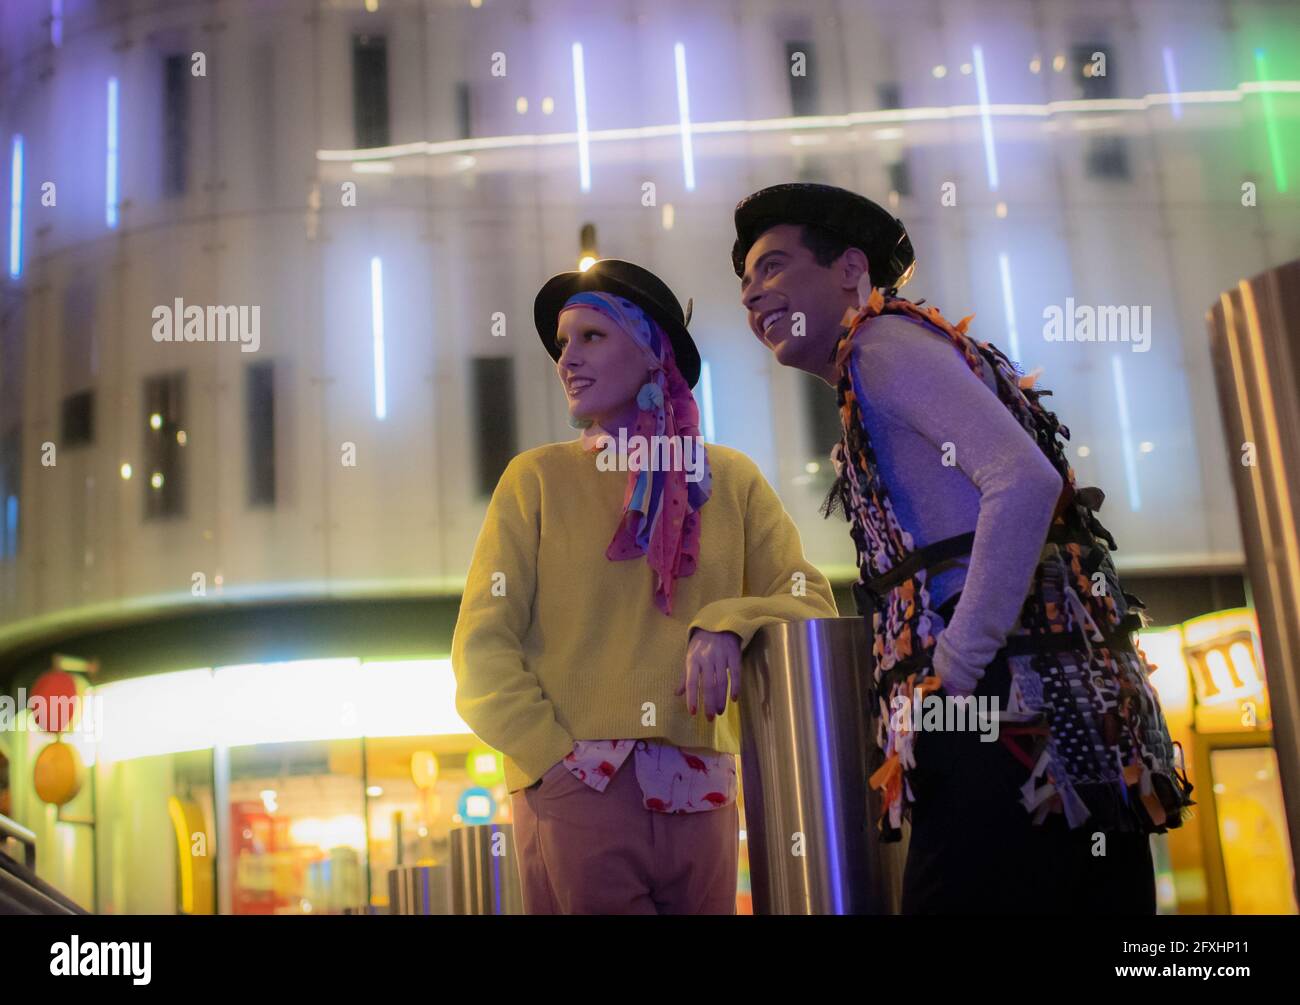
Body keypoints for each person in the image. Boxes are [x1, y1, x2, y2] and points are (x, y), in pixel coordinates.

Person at [730, 183, 1192, 914]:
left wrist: (950, 677)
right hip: (1060, 712)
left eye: (773, 266)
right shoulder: (904, 346)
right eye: (746, 280)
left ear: (851, 266)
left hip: (1002, 714)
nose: (753, 295)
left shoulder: (879, 346)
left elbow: (1023, 480)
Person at [451, 258, 838, 914]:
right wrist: (557, 762)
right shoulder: (535, 480)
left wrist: (727, 619)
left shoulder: (731, 479)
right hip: (578, 788)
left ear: (653, 350)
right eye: (562, 343)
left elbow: (812, 603)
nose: (566, 358)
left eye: (591, 337)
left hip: (704, 789)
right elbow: (481, 650)